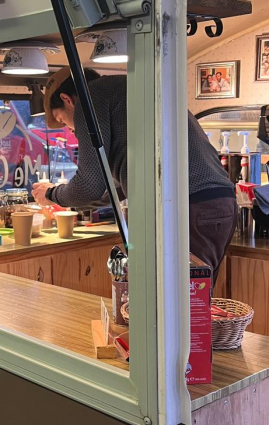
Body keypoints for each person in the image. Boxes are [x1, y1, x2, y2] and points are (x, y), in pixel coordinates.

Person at [31, 67, 237, 280]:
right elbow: (111, 189)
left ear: (67, 100)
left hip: (185, 208)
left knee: (178, 294)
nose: (71, 130)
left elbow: (89, 186)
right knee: (192, 294)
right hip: (219, 202)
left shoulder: (88, 99)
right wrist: (69, 201)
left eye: (63, 120)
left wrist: (52, 194)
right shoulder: (126, 91)